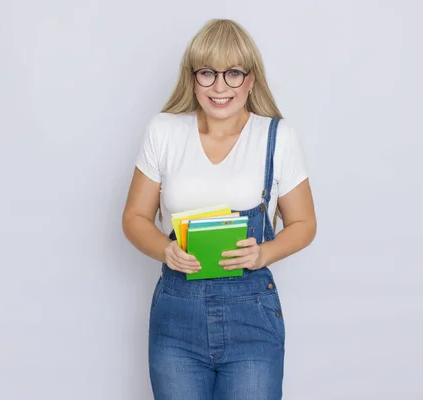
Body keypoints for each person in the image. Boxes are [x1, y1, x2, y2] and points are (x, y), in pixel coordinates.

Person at [122, 18, 317, 400]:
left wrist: (265, 252)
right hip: (177, 319)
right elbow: (134, 217)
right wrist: (165, 250)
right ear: (192, 77)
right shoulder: (164, 131)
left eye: (233, 73)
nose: (220, 87)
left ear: (251, 80)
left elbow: (304, 223)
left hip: (252, 319)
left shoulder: (276, 137)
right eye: (207, 73)